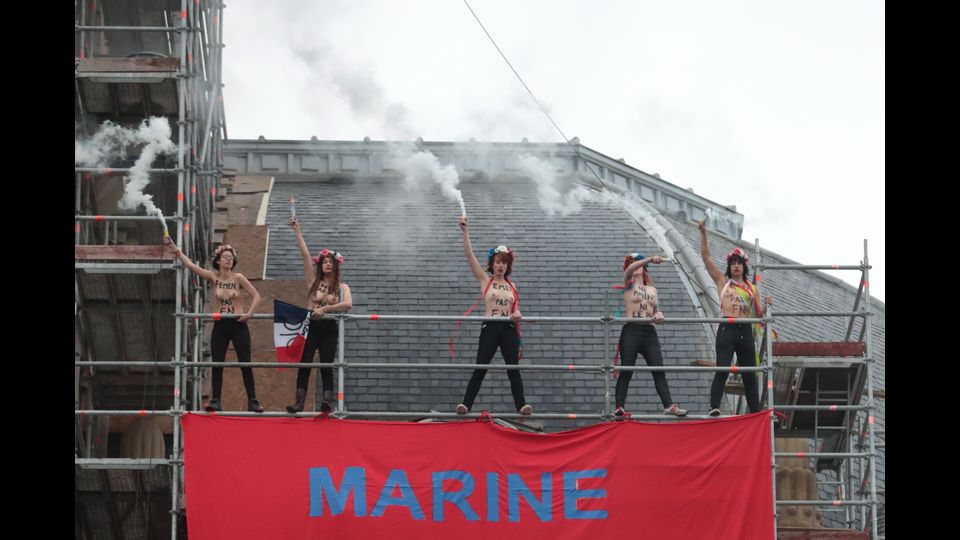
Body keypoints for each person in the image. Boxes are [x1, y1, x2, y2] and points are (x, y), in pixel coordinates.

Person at [164, 238, 263, 412]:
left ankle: (252, 401)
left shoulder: (238, 277)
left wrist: (249, 314)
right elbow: (191, 266)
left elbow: (257, 296)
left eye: (231, 257)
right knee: (217, 363)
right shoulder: (213, 276)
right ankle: (216, 400)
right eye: (225, 256)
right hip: (221, 325)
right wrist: (175, 249)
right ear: (218, 261)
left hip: (238, 324)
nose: (228, 259)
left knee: (245, 363)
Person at [455, 216, 531, 416]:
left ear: (508, 266)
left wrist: (517, 313)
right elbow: (470, 257)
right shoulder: (485, 280)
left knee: (513, 369)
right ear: (493, 264)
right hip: (490, 326)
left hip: (508, 328)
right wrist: (465, 232)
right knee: (481, 367)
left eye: (504, 263)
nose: (500, 266)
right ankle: (466, 403)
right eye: (498, 262)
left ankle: (521, 405)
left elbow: (516, 308)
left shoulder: (512, 286)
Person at [697, 220, 772, 416]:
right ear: (729, 267)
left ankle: (755, 411)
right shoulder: (723, 282)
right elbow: (706, 259)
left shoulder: (751, 288)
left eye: (739, 264)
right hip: (728, 327)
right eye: (733, 264)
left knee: (749, 373)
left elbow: (757, 314)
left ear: (744, 267)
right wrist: (703, 233)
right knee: (723, 367)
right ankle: (714, 406)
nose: (736, 267)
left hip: (745, 330)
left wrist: (767, 306)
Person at [285, 218, 353, 413]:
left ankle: (327, 401)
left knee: (326, 363)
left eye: (331, 262)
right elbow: (305, 255)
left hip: (329, 326)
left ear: (336, 265)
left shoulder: (341, 287)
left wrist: (324, 309)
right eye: (324, 262)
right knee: (305, 363)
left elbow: (348, 304)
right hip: (311, 325)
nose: (327, 264)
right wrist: (297, 231)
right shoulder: (313, 282)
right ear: (320, 265)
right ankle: (299, 402)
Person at [614, 253, 687, 417]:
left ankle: (668, 404)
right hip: (632, 328)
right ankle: (619, 406)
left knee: (658, 368)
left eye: (638, 261)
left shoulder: (652, 290)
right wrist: (649, 259)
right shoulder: (629, 283)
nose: (636, 264)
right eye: (633, 262)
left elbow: (656, 310)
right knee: (627, 369)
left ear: (645, 268)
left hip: (649, 331)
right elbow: (631, 269)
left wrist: (659, 315)